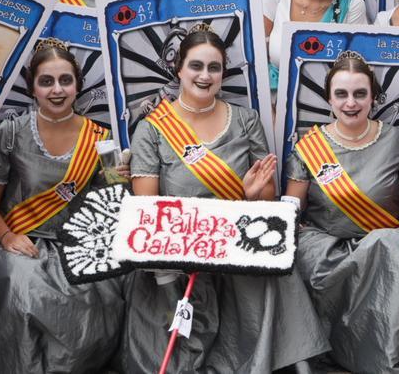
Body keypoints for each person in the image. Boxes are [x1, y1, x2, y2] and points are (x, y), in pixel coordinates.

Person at [125, 25, 327, 373]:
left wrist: (250, 196)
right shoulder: (153, 129)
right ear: (179, 69)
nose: (205, 76)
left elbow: (267, 205)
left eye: (214, 68)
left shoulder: (246, 121)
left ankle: (288, 360)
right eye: (196, 66)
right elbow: (149, 209)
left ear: (223, 73)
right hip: (179, 251)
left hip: (238, 244)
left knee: (276, 262)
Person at [0, 40, 130, 373]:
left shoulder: (103, 141)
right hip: (19, 241)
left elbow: (115, 205)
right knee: (24, 287)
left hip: (78, 246)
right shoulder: (10, 134)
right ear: (32, 87)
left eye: (65, 80)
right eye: (46, 81)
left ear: (78, 85)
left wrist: (122, 178)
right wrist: (8, 238)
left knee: (96, 293)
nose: (57, 90)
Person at [284, 51, 399, 371]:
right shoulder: (309, 146)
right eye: (342, 94)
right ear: (329, 99)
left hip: (381, 243)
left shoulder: (395, 140)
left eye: (360, 94)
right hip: (326, 247)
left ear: (373, 98)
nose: (351, 102)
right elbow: (293, 207)